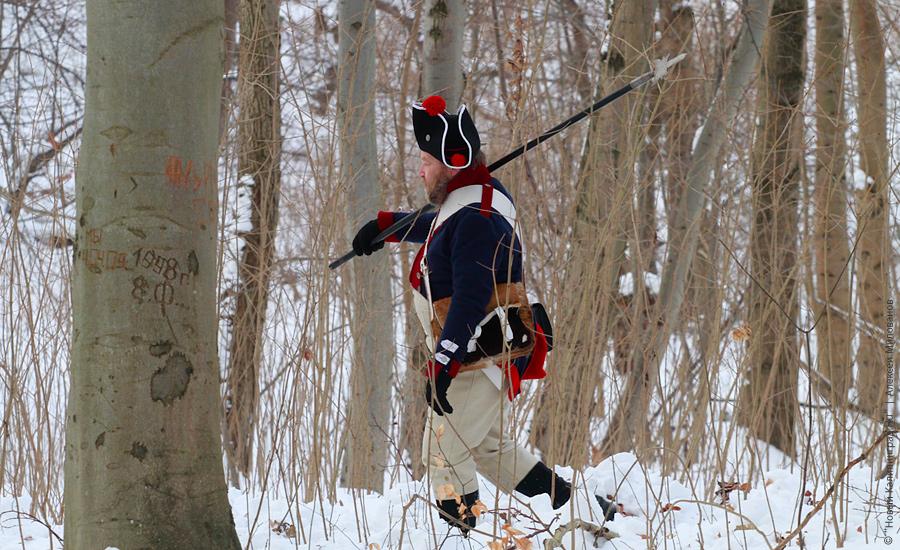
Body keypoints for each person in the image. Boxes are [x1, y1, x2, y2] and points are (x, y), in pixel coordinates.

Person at [351, 95, 617, 534]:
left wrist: (443, 362)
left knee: (443, 450)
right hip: (480, 357)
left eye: (425, 161)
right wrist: (388, 227)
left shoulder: (476, 214)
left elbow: (471, 299)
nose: (419, 170)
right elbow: (443, 229)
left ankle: (461, 537)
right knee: (491, 448)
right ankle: (583, 510)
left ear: (451, 163)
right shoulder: (472, 202)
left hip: (472, 358)